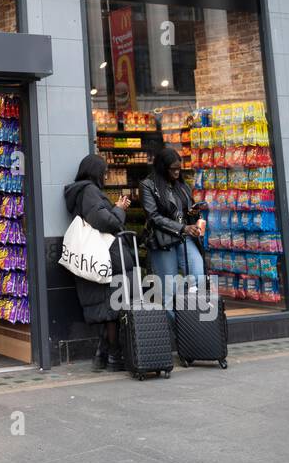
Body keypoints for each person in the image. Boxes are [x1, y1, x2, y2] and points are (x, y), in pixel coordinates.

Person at [64, 155, 134, 371]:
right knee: (111, 310)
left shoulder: (81, 192)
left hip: (92, 258)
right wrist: (120, 210)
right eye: (103, 172)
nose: (105, 175)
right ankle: (113, 356)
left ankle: (101, 356)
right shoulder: (90, 191)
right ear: (94, 171)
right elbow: (104, 221)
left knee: (107, 310)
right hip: (104, 258)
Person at [140, 146, 205, 313]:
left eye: (179, 169)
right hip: (163, 240)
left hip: (185, 237)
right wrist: (183, 227)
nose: (177, 173)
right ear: (163, 167)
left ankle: (191, 318)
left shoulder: (182, 186)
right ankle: (175, 331)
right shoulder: (147, 185)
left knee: (198, 274)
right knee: (170, 289)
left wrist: (194, 214)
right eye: (173, 169)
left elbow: (186, 209)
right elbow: (153, 216)